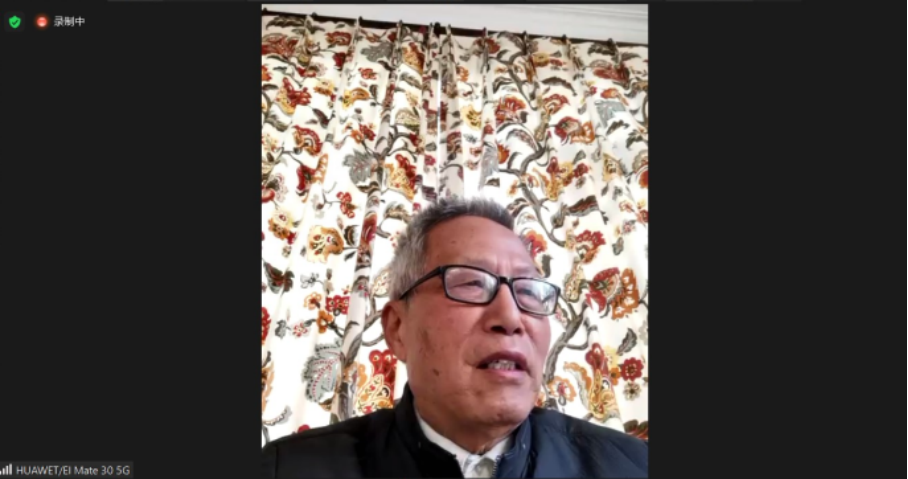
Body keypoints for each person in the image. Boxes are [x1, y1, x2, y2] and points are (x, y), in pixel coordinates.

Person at [261, 197, 647, 478]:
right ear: (397, 329)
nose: (510, 317)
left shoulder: (631, 466)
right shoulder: (284, 470)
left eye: (529, 291)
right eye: (471, 283)